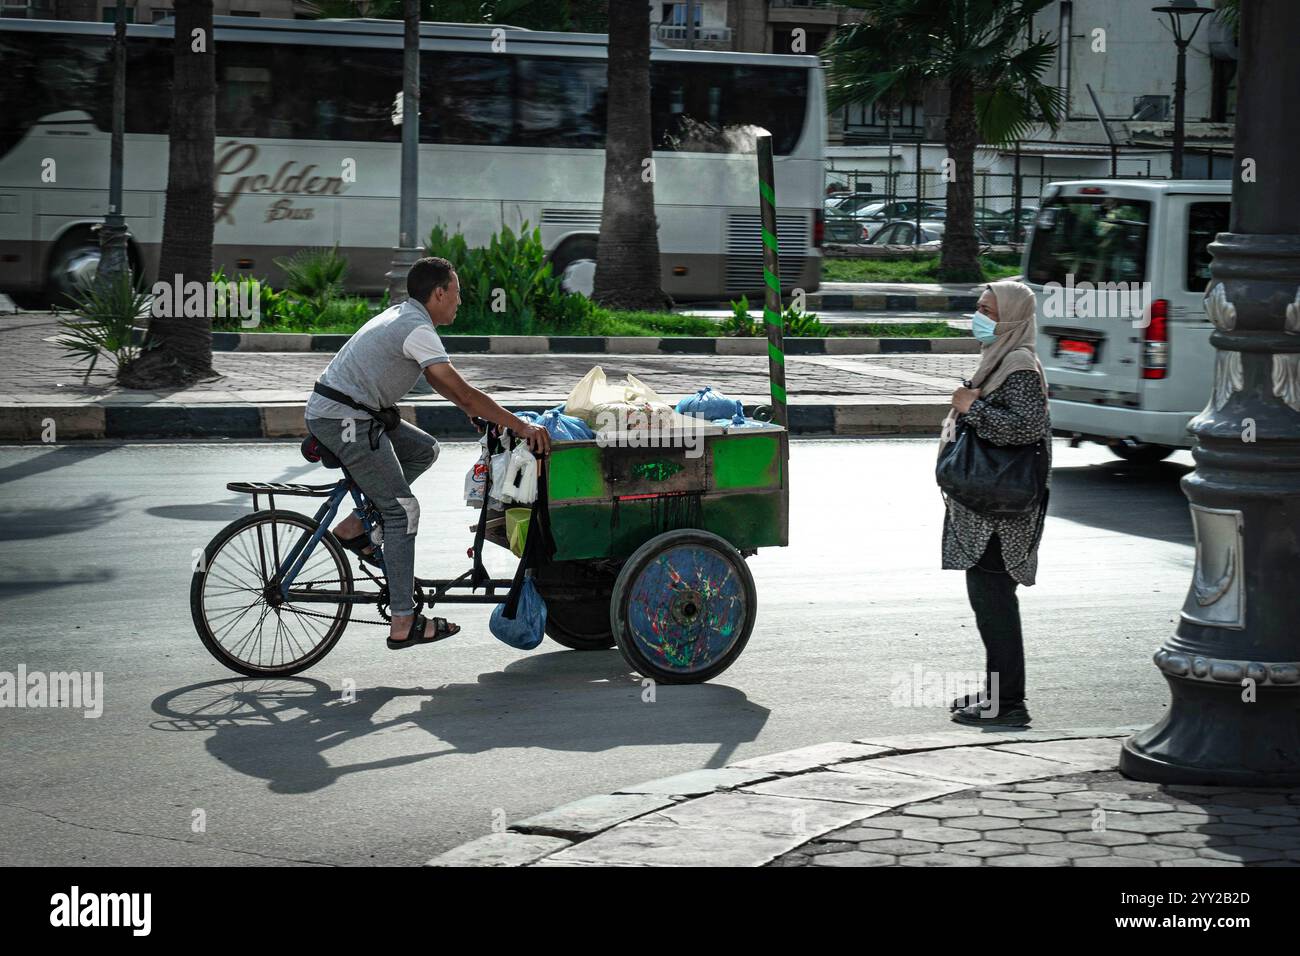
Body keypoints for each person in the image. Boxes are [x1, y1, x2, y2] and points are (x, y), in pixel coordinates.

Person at [304, 256, 551, 650]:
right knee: (403, 511)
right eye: (456, 294)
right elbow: (463, 392)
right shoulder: (417, 328)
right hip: (346, 421)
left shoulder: (405, 317)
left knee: (424, 449)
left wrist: (478, 413)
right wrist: (521, 426)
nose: (459, 301)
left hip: (350, 413)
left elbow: (450, 390)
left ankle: (354, 526)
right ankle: (404, 621)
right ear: (438, 293)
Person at [940, 280, 1050, 727]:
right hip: (990, 506)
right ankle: (998, 692)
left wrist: (971, 407)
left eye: (989, 309)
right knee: (990, 600)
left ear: (1012, 317)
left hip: (1001, 513)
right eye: (979, 307)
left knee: (994, 602)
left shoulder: (1019, 364)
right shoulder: (1000, 359)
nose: (980, 316)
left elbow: (1026, 427)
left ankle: (1007, 704)